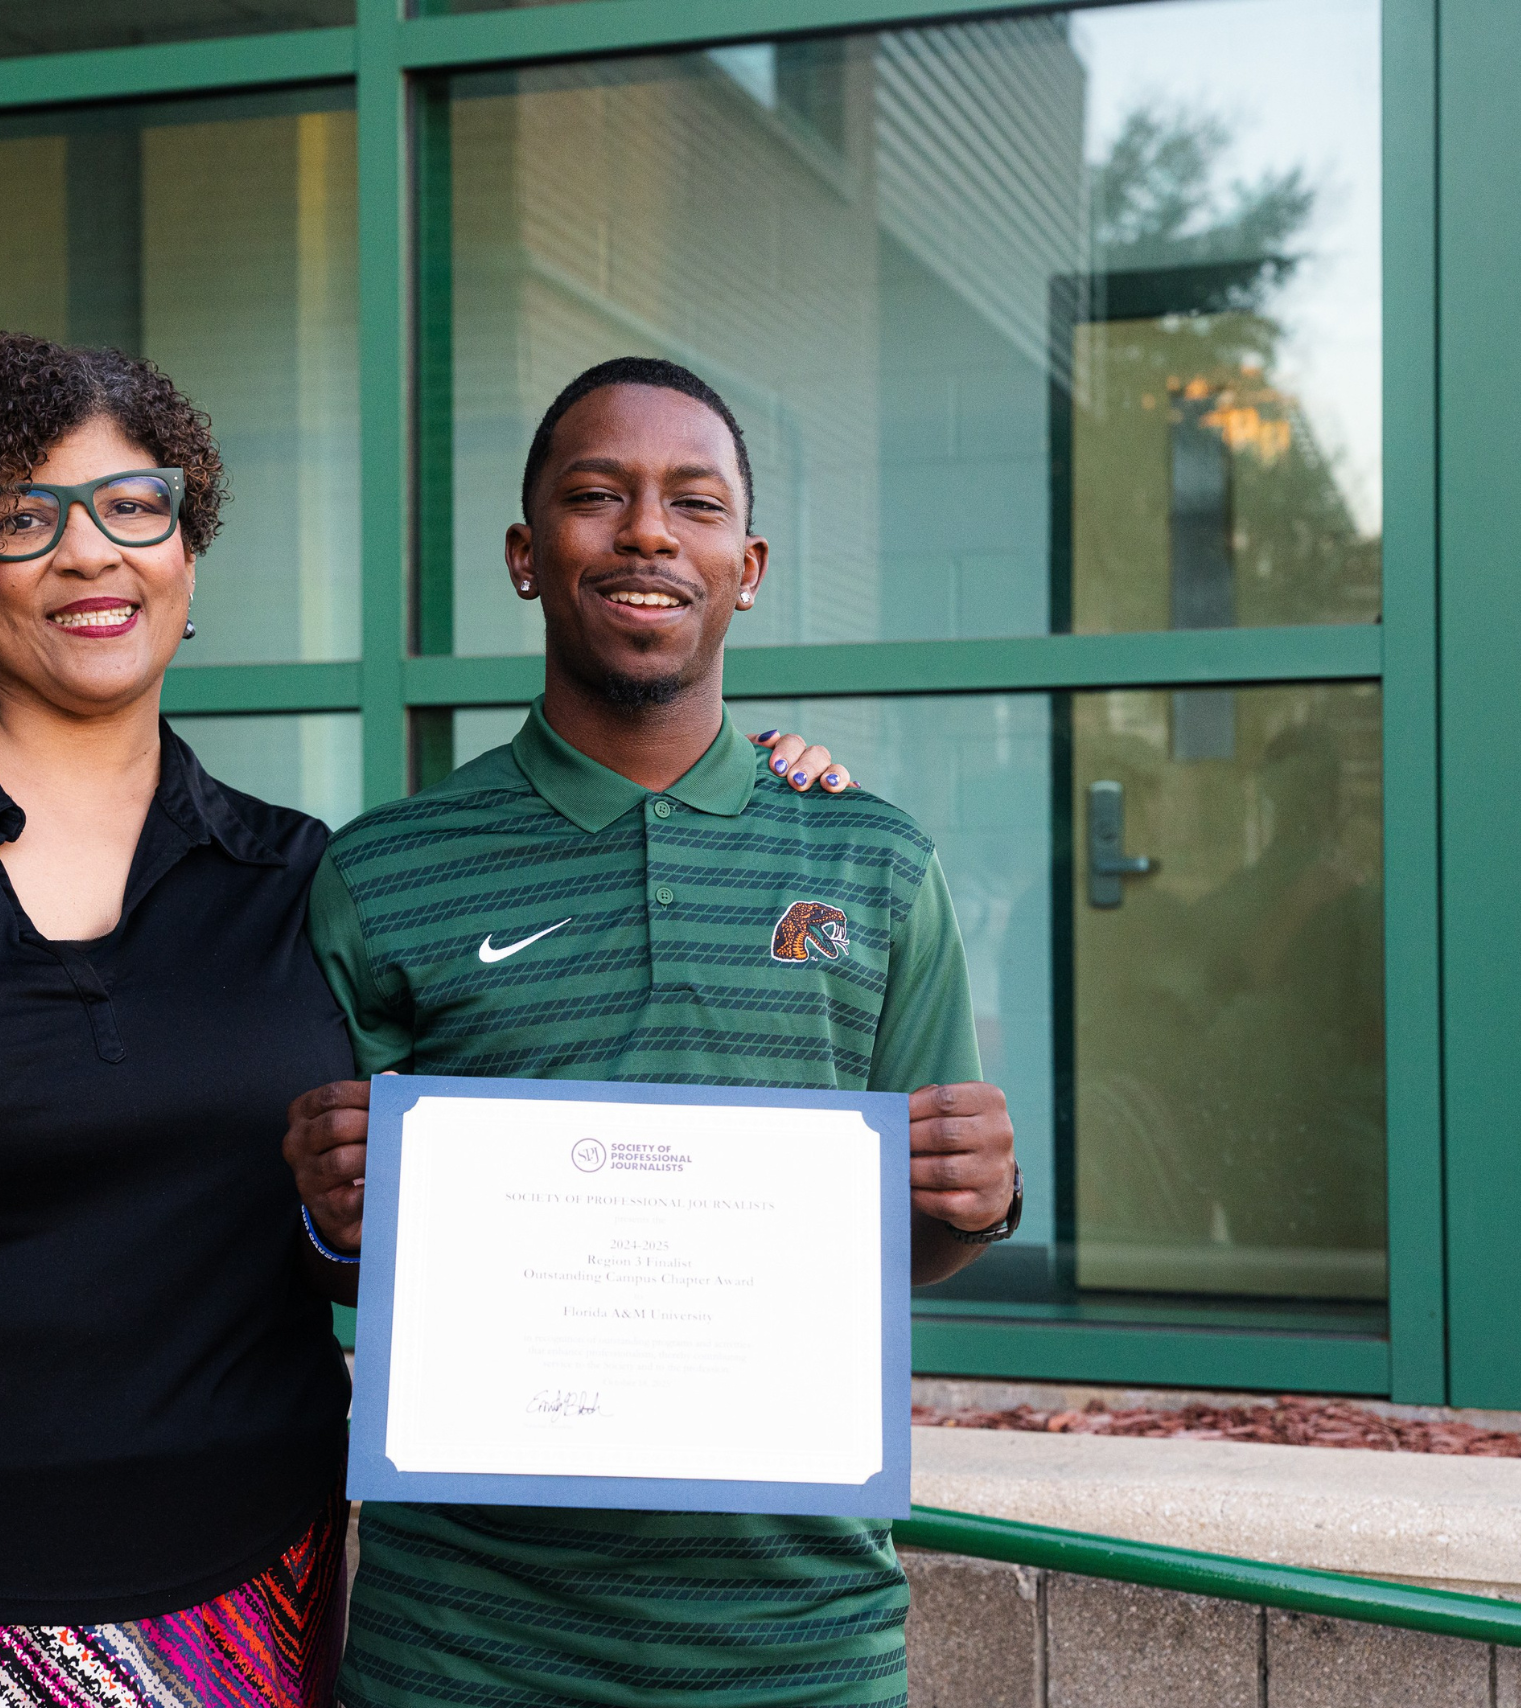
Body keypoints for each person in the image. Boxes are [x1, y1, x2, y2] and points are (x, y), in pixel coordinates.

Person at [0, 331, 850, 1708]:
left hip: (224, 1621)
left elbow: (481, 1136)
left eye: (134, 507)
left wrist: (740, 795)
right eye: (27, 517)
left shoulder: (304, 881)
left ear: (187, 553)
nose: (92, 552)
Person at [283, 356, 1023, 1708]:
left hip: (794, 1645)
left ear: (746, 567)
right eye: (596, 495)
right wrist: (336, 1216)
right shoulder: (387, 872)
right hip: (462, 1649)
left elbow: (904, 1244)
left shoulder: (871, 863)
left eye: (692, 504)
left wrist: (973, 1202)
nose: (644, 532)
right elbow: (346, 1267)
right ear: (525, 554)